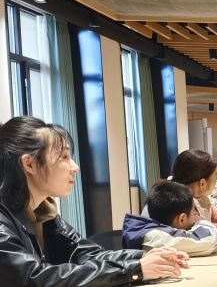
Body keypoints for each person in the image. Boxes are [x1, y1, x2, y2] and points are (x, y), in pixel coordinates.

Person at [0, 116, 188, 284]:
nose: (75, 167)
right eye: (64, 157)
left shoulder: (44, 212)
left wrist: (144, 257)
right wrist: (134, 270)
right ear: (30, 164)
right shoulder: (3, 221)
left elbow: (87, 254)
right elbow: (35, 278)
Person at [164, 149, 217, 246]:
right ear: (202, 184)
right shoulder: (179, 204)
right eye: (216, 177)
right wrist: (215, 230)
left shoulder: (202, 200)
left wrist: (212, 229)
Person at [122, 181, 217, 256]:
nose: (197, 214)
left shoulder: (149, 230)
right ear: (181, 219)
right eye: (194, 211)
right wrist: (202, 221)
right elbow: (206, 241)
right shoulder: (156, 236)